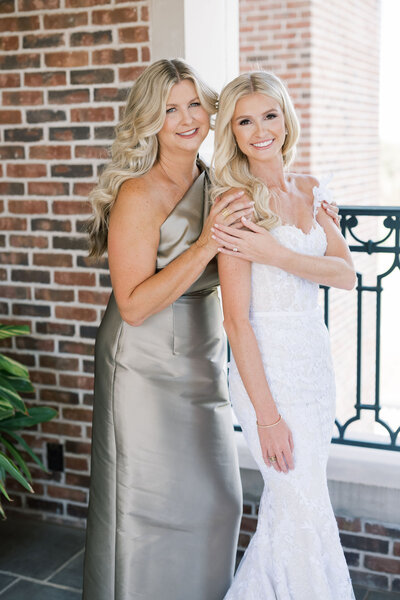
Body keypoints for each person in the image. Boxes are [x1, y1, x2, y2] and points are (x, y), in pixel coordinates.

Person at [82, 58, 249, 600]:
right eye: (169, 108)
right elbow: (132, 305)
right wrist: (204, 246)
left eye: (193, 104)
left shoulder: (215, 180)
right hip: (142, 362)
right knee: (145, 508)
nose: (185, 118)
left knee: (218, 499)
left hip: (202, 352)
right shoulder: (138, 193)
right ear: (149, 120)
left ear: (209, 109)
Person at [210, 71, 356, 599]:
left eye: (268, 115)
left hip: (314, 369)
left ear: (285, 118)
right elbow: (236, 322)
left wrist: (276, 255)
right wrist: (267, 416)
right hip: (266, 374)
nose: (259, 130)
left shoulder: (312, 188)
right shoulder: (233, 203)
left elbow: (347, 275)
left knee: (301, 507)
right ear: (232, 130)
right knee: (297, 505)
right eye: (244, 121)